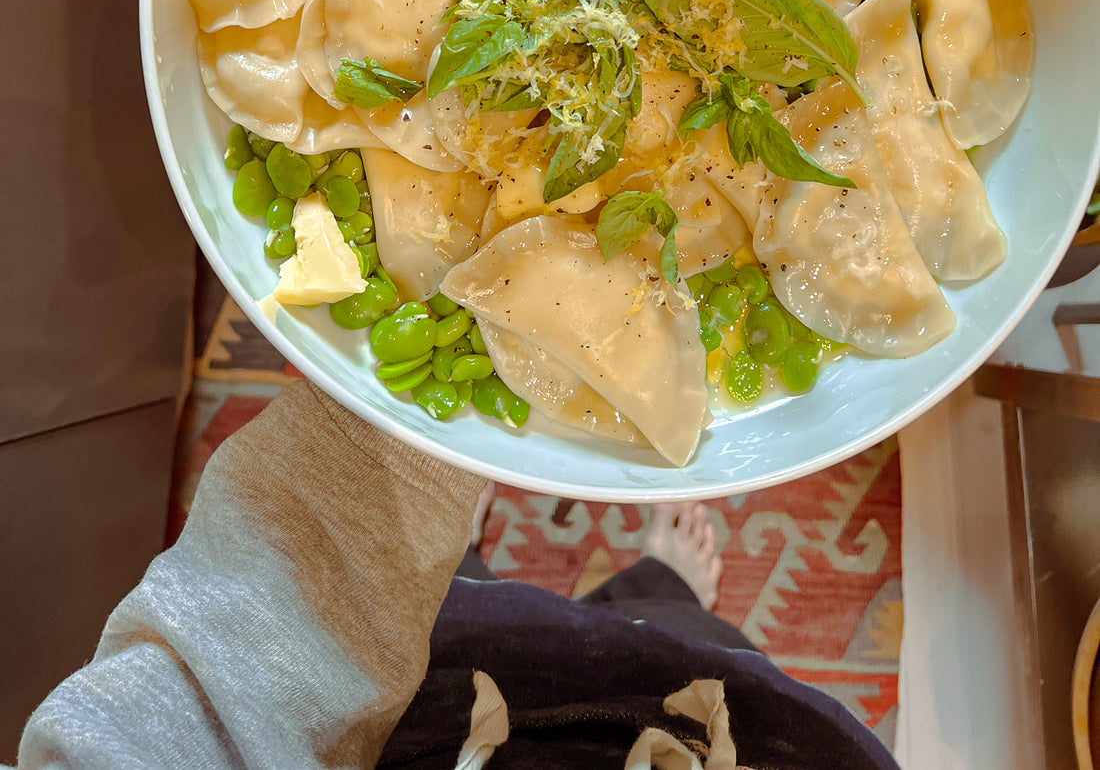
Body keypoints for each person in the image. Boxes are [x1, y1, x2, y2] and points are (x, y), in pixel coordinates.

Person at [13, 381, 900, 769]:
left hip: (415, 714)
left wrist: (410, 449)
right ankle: (659, 587)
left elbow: (201, 714)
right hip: (717, 725)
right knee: (681, 635)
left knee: (440, 594)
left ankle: (451, 542)